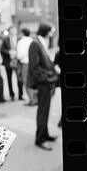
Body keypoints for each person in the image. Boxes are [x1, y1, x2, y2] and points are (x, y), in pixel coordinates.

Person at [28, 23, 58, 151]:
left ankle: (44, 134)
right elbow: (34, 67)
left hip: (47, 82)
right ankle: (40, 139)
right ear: (46, 31)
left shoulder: (41, 42)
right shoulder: (35, 43)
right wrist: (47, 79)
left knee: (45, 111)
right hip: (43, 83)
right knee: (42, 111)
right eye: (51, 31)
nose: (52, 34)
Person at [1, 26, 23, 101]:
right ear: (9, 31)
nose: (13, 31)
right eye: (12, 30)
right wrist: (9, 52)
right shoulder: (5, 39)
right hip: (8, 62)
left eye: (14, 30)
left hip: (17, 62)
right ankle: (11, 94)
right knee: (9, 79)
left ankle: (20, 95)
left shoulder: (20, 39)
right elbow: (2, 50)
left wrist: (17, 53)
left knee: (19, 79)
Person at [16, 27, 37, 106]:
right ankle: (35, 98)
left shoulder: (21, 42)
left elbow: (19, 55)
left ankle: (32, 100)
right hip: (33, 64)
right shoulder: (32, 40)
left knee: (26, 82)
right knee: (32, 81)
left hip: (25, 64)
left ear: (22, 33)